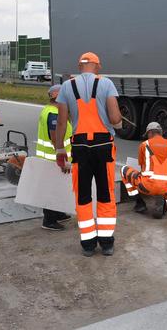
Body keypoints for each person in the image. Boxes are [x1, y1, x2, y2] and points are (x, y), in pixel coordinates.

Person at [55, 52, 123, 257]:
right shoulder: (107, 84)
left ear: (80, 66)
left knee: (83, 195)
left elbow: (60, 122)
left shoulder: (67, 86)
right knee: (105, 193)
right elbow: (114, 117)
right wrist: (118, 123)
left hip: (80, 147)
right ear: (97, 66)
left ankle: (88, 245)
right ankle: (107, 243)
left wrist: (60, 150)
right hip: (103, 146)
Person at [121, 122, 167, 218]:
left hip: (146, 187)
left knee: (124, 170)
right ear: (160, 133)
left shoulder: (144, 145)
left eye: (147, 135)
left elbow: (142, 168)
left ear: (150, 133)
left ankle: (139, 203)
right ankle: (166, 205)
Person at [36, 84, 73, 231]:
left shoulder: (50, 110)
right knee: (52, 189)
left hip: (51, 158)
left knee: (57, 187)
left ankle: (57, 213)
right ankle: (49, 220)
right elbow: (54, 137)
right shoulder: (54, 114)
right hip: (54, 159)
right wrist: (62, 159)